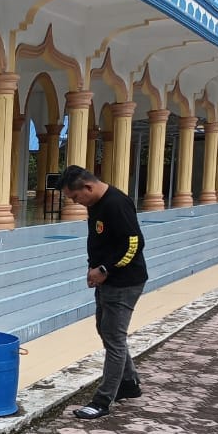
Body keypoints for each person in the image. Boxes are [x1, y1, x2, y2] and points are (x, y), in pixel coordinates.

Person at [60, 164, 148, 420]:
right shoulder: (95, 204)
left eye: (76, 197)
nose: (76, 202)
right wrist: (93, 267)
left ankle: (104, 399)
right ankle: (129, 383)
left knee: (114, 338)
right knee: (107, 331)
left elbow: (134, 243)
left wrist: (105, 268)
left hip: (124, 282)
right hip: (106, 280)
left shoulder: (116, 204)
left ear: (88, 186)